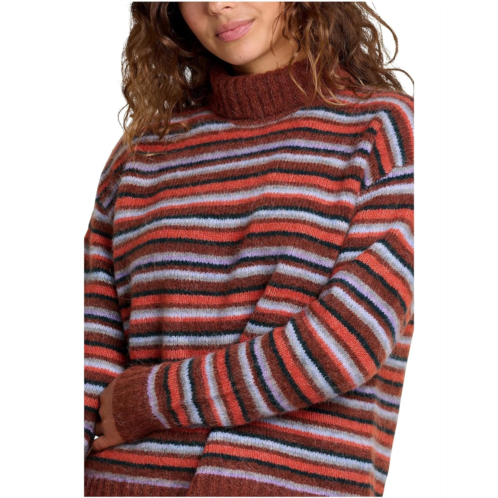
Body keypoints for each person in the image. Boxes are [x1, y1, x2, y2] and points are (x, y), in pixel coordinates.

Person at [84, 2, 414, 496]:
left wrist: (153, 400)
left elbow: (349, 339)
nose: (216, 5)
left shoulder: (384, 132)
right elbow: (88, 352)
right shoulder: (140, 154)